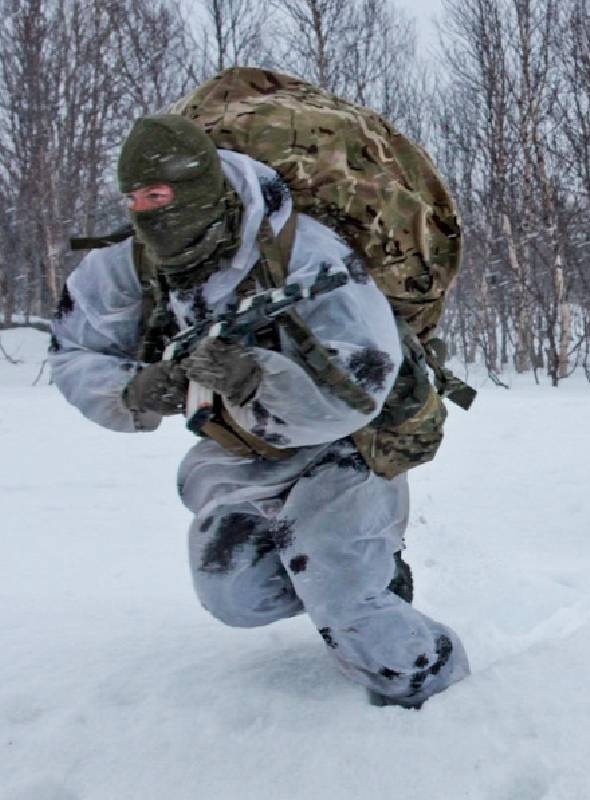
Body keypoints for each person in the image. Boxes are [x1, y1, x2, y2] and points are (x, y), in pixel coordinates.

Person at [49, 115, 468, 708]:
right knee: (234, 593)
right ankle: (346, 578)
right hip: (241, 451)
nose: (147, 213)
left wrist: (254, 377)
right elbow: (73, 346)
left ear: (198, 188)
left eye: (160, 196)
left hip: (348, 443)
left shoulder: (309, 254)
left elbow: (364, 384)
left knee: (347, 597)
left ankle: (440, 692)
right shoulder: (131, 261)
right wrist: (134, 390)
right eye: (135, 199)